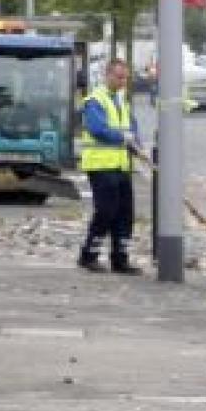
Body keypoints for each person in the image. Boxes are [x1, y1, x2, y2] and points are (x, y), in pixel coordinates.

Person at [77, 58, 144, 275]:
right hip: (100, 165)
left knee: (125, 214)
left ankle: (120, 259)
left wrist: (136, 143)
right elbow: (98, 129)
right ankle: (88, 255)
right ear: (107, 75)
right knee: (106, 211)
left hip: (121, 165)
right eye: (118, 76)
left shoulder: (122, 102)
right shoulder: (95, 101)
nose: (122, 81)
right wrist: (124, 137)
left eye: (125, 77)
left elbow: (132, 128)